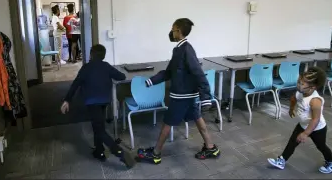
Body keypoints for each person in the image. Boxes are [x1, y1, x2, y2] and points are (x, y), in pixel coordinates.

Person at [137, 18, 220, 164]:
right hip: (187, 94)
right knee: (198, 119)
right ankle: (211, 147)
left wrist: (205, 96)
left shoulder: (186, 49)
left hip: (181, 96)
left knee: (167, 122)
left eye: (173, 29)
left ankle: (155, 153)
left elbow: (198, 72)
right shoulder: (179, 49)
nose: (171, 32)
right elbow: (170, 72)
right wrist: (152, 81)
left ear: (179, 31)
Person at [60, 44, 136, 168]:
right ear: (103, 55)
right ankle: (99, 151)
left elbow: (75, 84)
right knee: (98, 125)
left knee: (99, 129)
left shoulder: (86, 67)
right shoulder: (106, 66)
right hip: (105, 100)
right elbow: (121, 77)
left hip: (91, 102)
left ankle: (120, 153)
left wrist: (67, 100)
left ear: (91, 54)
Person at [267, 67, 332, 174]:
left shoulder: (315, 101)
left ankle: (331, 162)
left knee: (321, 146)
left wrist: (305, 133)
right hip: (303, 124)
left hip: (317, 128)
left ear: (312, 87)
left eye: (302, 84)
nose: (299, 85)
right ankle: (282, 160)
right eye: (298, 82)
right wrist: (291, 109)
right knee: (292, 142)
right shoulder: (300, 92)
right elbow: (293, 99)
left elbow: (316, 119)